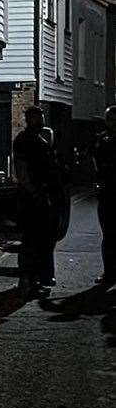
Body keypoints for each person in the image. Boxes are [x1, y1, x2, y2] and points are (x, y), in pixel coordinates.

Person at [12, 106, 61, 297]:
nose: (40, 121)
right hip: (32, 199)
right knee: (32, 241)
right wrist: (34, 192)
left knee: (41, 241)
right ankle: (28, 281)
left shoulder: (40, 141)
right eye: (37, 118)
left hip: (41, 196)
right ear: (30, 119)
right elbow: (22, 170)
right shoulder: (25, 141)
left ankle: (36, 279)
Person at [91, 105, 116, 286]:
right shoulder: (101, 140)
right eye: (110, 119)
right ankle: (109, 273)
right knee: (108, 235)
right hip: (107, 192)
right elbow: (93, 162)